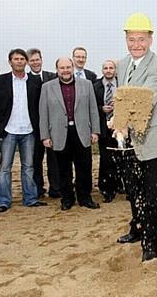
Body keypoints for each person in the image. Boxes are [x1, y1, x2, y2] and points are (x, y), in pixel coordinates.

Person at [114, 12, 157, 262]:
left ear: (151, 39)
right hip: (132, 141)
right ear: (126, 39)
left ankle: (151, 240)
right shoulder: (121, 64)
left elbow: (142, 100)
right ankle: (137, 228)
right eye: (132, 39)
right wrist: (121, 124)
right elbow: (121, 96)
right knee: (134, 190)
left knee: (153, 195)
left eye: (141, 39)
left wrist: (117, 120)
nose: (136, 44)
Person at [0, 49, 47, 212]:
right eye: (16, 59)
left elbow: (41, 105)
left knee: (29, 167)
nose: (19, 61)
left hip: (29, 131)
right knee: (5, 167)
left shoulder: (34, 82)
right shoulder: (0, 80)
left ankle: (30, 198)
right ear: (10, 61)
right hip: (9, 130)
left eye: (22, 59)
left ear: (26, 62)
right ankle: (3, 200)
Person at [39, 57, 101, 211]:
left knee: (84, 168)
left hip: (82, 132)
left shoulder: (86, 85)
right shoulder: (47, 87)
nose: (65, 70)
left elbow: (93, 109)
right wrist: (45, 136)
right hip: (59, 134)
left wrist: (95, 131)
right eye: (62, 68)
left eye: (68, 67)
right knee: (63, 169)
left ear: (73, 67)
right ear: (57, 69)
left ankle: (85, 198)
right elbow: (43, 113)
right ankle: (67, 199)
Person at [27, 48, 60, 199]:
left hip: (52, 126)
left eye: (37, 59)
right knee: (35, 160)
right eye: (32, 60)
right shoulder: (25, 80)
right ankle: (38, 190)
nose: (35, 62)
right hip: (33, 127)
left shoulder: (53, 77)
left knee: (54, 159)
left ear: (41, 59)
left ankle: (55, 188)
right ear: (28, 62)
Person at [93, 59, 124, 203]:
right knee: (106, 160)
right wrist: (101, 108)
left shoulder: (122, 84)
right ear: (102, 70)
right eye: (106, 68)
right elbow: (91, 107)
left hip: (121, 128)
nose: (108, 70)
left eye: (111, 68)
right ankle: (106, 190)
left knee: (122, 159)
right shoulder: (96, 86)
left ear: (115, 70)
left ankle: (121, 186)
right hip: (104, 128)